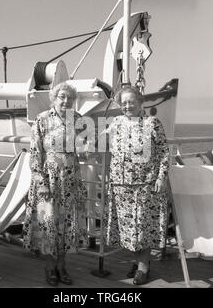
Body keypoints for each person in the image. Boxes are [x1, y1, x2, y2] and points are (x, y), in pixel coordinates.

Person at [103, 85, 170, 285]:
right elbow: (101, 140)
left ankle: (143, 268)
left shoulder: (152, 123)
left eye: (131, 101)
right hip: (121, 184)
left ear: (141, 103)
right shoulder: (116, 122)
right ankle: (139, 261)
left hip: (145, 184)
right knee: (129, 228)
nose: (127, 106)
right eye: (123, 103)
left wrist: (161, 177)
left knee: (143, 227)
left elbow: (164, 152)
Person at [23, 81, 87, 287]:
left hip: (70, 180)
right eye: (62, 97)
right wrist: (41, 182)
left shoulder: (77, 120)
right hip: (48, 180)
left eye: (70, 98)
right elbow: (35, 153)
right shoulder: (41, 120)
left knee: (66, 226)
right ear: (54, 98)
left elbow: (87, 144)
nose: (66, 101)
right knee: (49, 225)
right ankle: (50, 268)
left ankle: (62, 266)